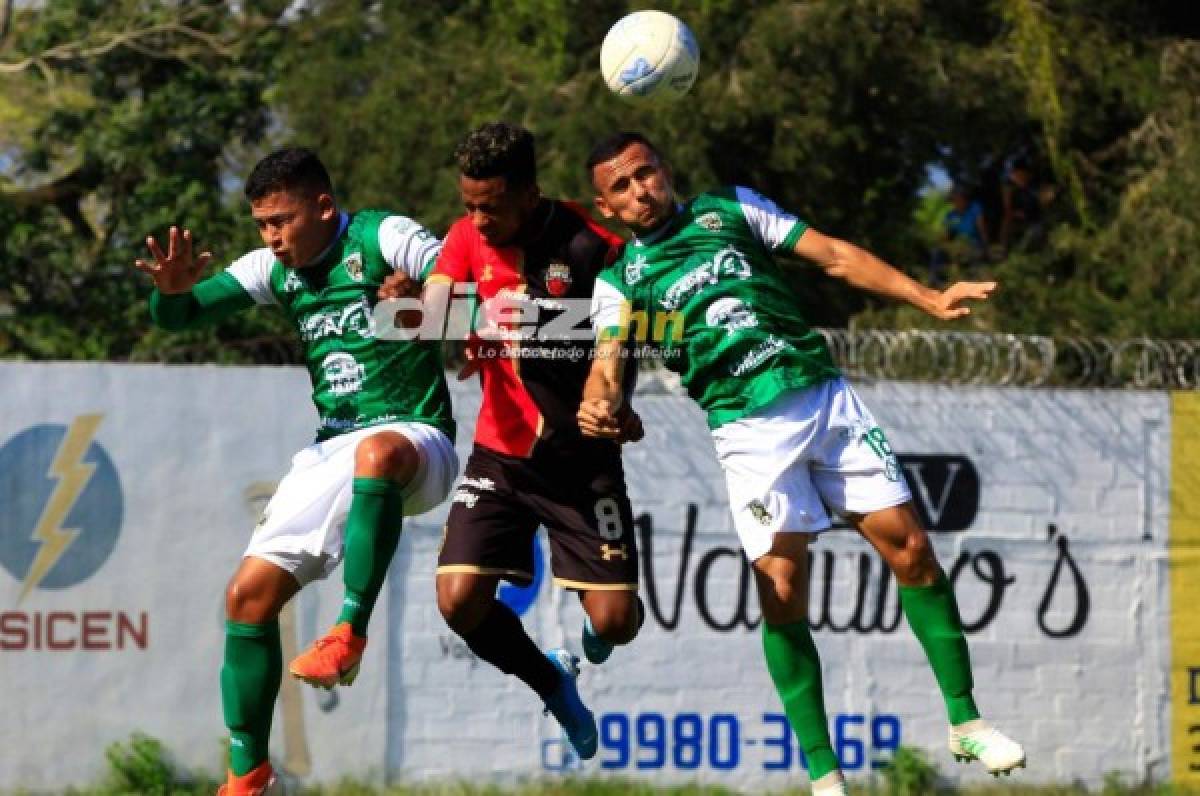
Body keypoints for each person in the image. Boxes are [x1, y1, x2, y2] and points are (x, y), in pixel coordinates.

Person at [576, 132, 1025, 795]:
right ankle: (826, 777)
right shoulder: (621, 283)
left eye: (646, 172)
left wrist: (927, 298)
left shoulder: (729, 209)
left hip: (824, 400)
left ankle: (965, 720)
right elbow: (606, 368)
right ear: (606, 205)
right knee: (783, 593)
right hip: (749, 431)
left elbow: (836, 256)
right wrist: (597, 404)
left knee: (913, 550)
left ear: (664, 170)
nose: (641, 188)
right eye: (622, 186)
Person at [136, 148, 457, 796]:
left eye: (280, 220)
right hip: (331, 448)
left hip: (420, 438)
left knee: (378, 453)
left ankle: (349, 632)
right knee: (245, 597)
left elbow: (469, 290)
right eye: (261, 224)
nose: (271, 237)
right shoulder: (271, 270)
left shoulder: (382, 237)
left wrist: (425, 298)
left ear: (324, 207)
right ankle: (249, 775)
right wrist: (168, 297)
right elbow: (183, 315)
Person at [379, 122, 643, 762]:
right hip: (500, 458)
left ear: (529, 193)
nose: (476, 218)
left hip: (583, 466)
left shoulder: (595, 241)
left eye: (489, 206)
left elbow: (628, 329)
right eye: (468, 204)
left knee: (615, 624)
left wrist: (617, 399)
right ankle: (551, 680)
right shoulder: (467, 237)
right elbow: (439, 299)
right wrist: (419, 305)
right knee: (459, 601)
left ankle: (593, 623)